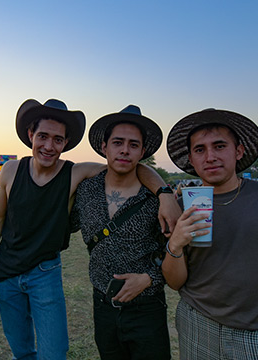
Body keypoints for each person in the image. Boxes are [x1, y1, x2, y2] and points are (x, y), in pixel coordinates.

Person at [0, 99, 179, 360]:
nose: (49, 146)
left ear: (66, 143)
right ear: (30, 134)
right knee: (20, 351)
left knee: (54, 354)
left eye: (58, 139)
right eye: (43, 136)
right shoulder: (11, 171)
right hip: (6, 274)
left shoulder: (74, 174)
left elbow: (126, 164)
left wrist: (164, 193)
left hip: (45, 273)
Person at [163, 108, 258, 360]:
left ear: (238, 151)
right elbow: (175, 282)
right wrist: (175, 244)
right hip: (196, 322)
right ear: (191, 158)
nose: (210, 157)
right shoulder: (183, 205)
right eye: (200, 150)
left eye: (219, 146)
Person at [70, 105, 172, 359]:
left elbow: (175, 251)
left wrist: (150, 277)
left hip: (147, 307)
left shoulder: (157, 199)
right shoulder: (85, 192)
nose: (125, 150)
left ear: (142, 152)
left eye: (133, 144)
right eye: (118, 142)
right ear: (104, 147)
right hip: (103, 306)